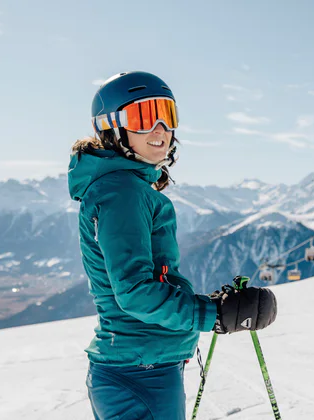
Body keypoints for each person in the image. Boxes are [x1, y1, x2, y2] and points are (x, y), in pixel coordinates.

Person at [67, 71, 278, 420]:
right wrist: (212, 315)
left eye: (167, 115)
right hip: (139, 373)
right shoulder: (122, 193)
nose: (160, 128)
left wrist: (208, 305)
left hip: (140, 367)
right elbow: (134, 291)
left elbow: (150, 281)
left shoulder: (125, 188)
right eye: (144, 117)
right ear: (112, 128)